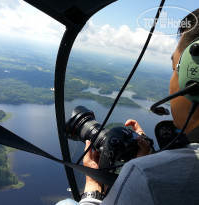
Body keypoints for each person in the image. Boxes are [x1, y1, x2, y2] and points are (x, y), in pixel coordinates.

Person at [56, 8, 199, 205]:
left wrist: (93, 188)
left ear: (193, 79)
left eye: (175, 68)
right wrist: (152, 156)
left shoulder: (146, 176)